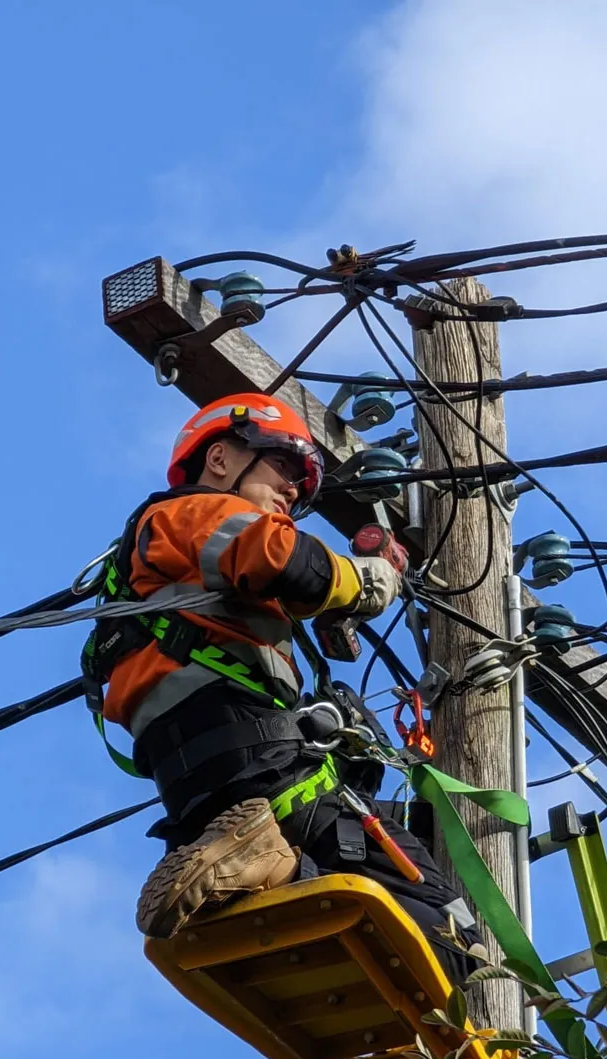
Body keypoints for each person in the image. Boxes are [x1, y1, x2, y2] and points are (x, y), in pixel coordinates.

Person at [83, 393, 482, 981]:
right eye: (282, 465)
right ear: (220, 458)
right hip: (265, 770)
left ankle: (266, 868)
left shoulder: (169, 574)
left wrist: (322, 608)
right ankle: (268, 858)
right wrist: (366, 578)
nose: (293, 490)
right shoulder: (192, 513)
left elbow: (270, 582)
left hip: (200, 792)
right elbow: (285, 559)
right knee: (453, 934)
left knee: (336, 905)